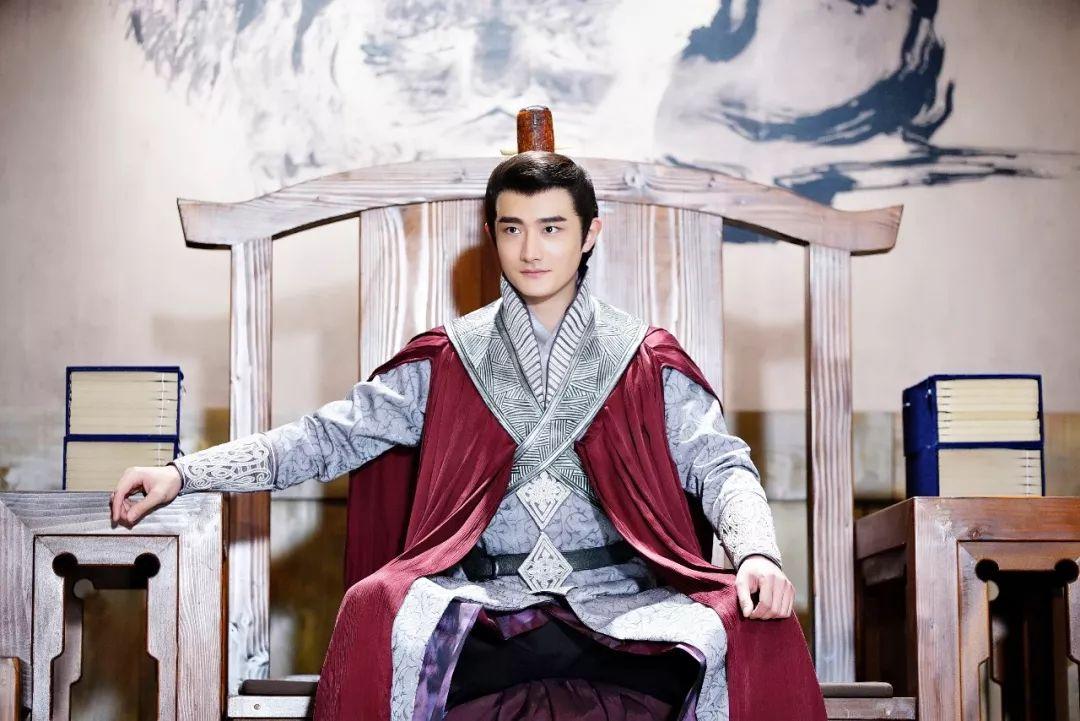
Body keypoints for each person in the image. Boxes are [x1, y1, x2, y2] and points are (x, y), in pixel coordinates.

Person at [111, 152, 826, 721]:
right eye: (512, 228)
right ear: (493, 234)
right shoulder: (450, 358)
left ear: (590, 234)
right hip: (483, 611)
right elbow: (325, 437)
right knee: (378, 609)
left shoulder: (643, 358)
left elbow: (721, 465)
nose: (531, 248)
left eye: (552, 228)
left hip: (624, 610)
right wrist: (186, 472)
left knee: (750, 621)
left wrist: (757, 550)